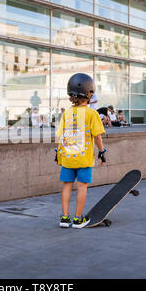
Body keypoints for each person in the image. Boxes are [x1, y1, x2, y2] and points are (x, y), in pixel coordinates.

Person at [55, 73, 106, 229]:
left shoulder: (67, 113)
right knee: (82, 186)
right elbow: (97, 136)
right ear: (89, 93)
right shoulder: (92, 113)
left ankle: (64, 218)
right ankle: (78, 219)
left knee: (67, 185)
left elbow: (61, 136)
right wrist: (102, 152)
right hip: (83, 159)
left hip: (67, 157)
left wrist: (58, 154)